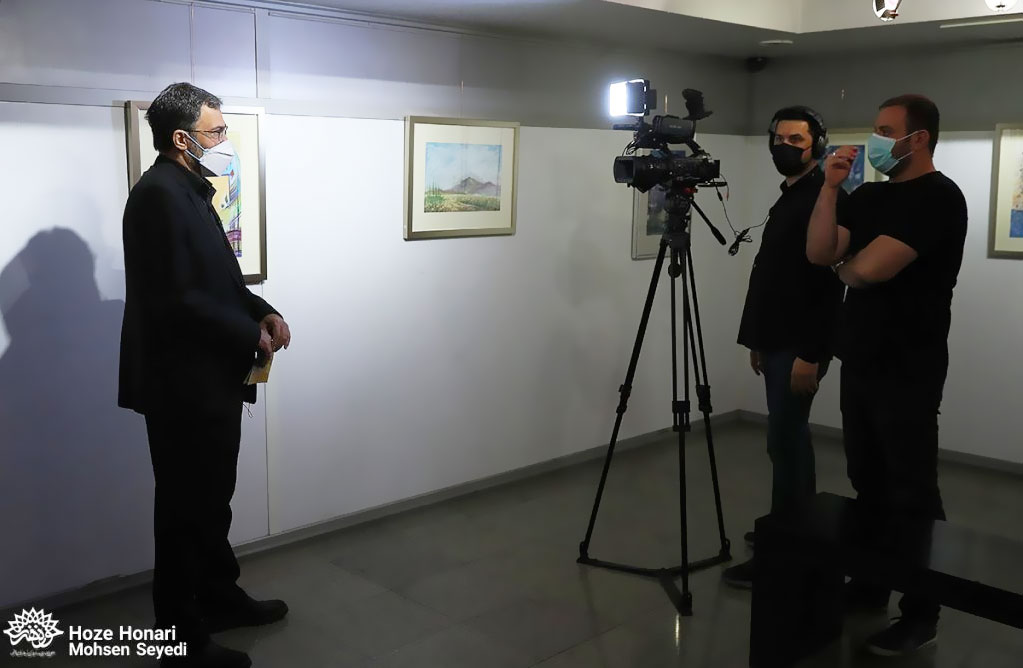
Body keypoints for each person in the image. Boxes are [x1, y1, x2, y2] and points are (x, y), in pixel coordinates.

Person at [119, 82, 292, 668]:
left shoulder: (190, 190)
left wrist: (261, 311)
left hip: (210, 381)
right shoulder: (158, 196)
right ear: (180, 138)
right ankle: (180, 636)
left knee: (213, 502)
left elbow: (220, 281)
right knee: (184, 510)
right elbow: (179, 298)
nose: (224, 140)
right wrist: (248, 335)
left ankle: (219, 596)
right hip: (181, 388)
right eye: (216, 132)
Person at [806, 94, 968, 657]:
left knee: (912, 490)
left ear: (917, 139)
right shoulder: (870, 196)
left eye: (884, 130)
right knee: (867, 481)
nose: (875, 140)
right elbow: (819, 251)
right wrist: (830, 189)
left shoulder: (939, 197)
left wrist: (845, 267)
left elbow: (869, 271)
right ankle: (873, 581)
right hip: (862, 359)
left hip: (909, 366)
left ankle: (922, 612)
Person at [723, 106, 845, 589]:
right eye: (779, 138)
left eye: (797, 139)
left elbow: (827, 288)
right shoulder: (792, 195)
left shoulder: (823, 199)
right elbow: (770, 276)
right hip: (776, 339)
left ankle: (788, 549)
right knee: (787, 441)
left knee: (787, 442)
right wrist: (757, 338)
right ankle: (793, 528)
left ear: (817, 143)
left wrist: (811, 354)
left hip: (799, 345)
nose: (785, 147)